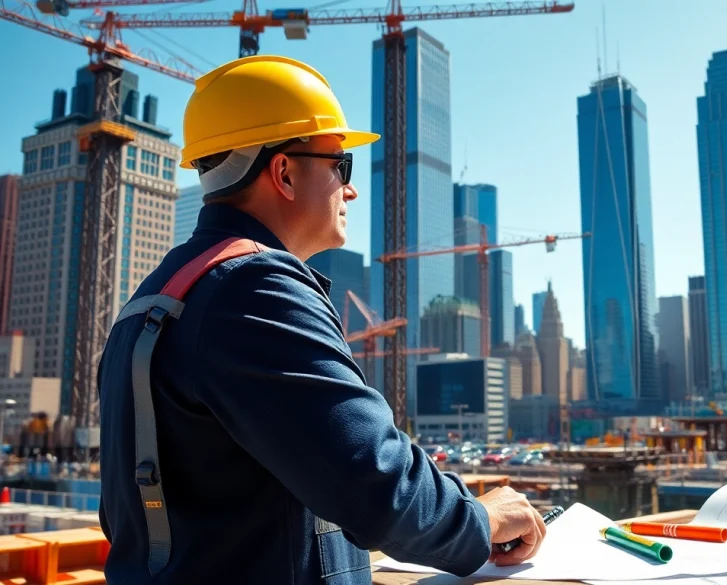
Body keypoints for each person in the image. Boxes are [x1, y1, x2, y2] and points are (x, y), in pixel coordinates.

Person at [98, 55, 546, 585]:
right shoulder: (254, 287)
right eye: (341, 166)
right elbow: (376, 483)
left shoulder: (155, 297)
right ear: (284, 172)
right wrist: (480, 518)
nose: (350, 189)